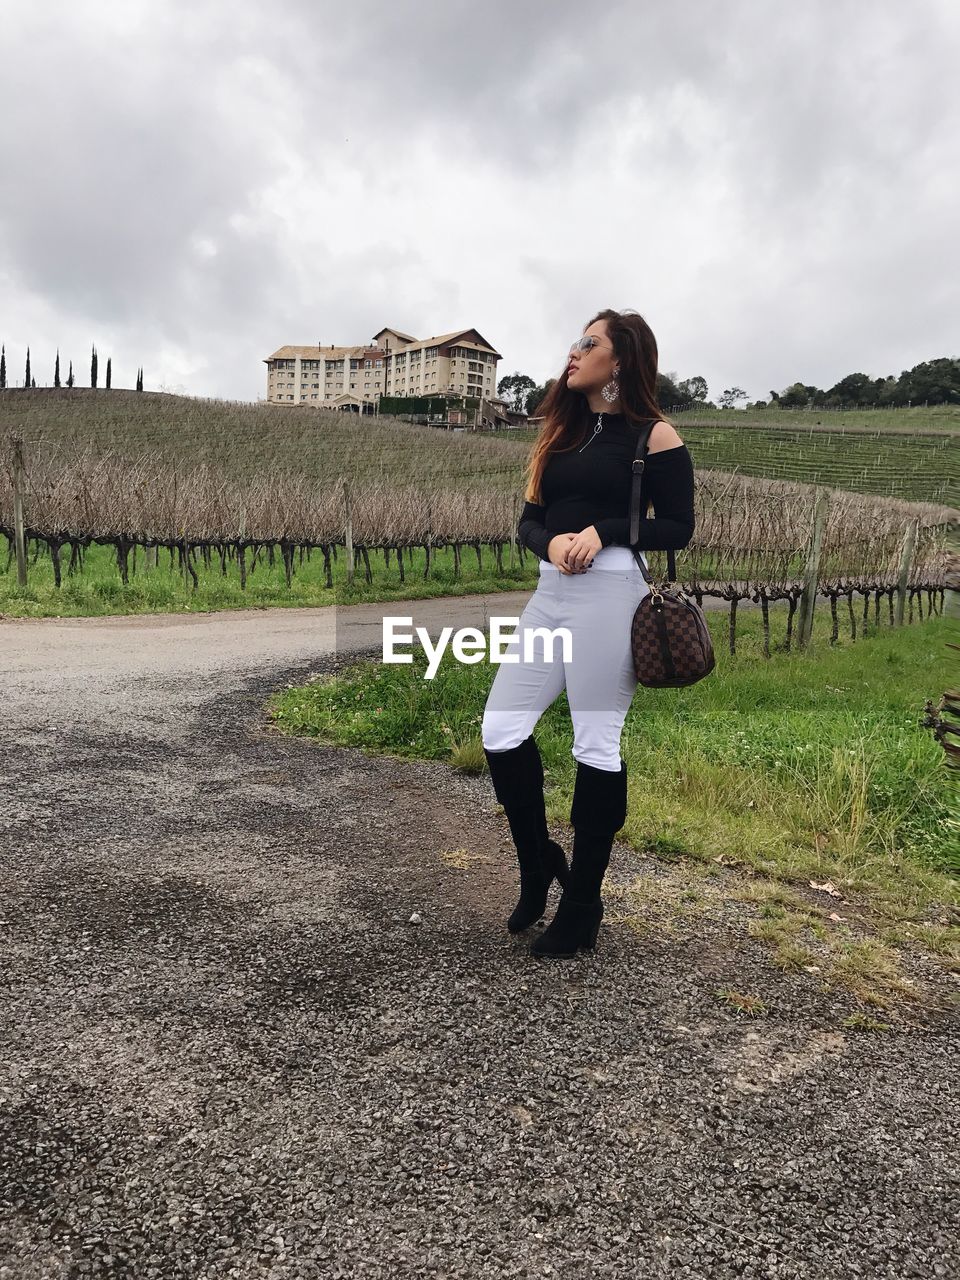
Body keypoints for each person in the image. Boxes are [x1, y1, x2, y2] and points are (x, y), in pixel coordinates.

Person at [481, 308, 696, 959]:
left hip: (611, 596)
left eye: (588, 343)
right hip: (551, 596)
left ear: (621, 360)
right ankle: (538, 863)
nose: (573, 352)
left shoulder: (653, 436)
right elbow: (527, 523)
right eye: (575, 341)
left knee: (595, 741)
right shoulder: (558, 433)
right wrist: (552, 543)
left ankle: (583, 907)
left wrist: (604, 533)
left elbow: (678, 528)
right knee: (500, 728)